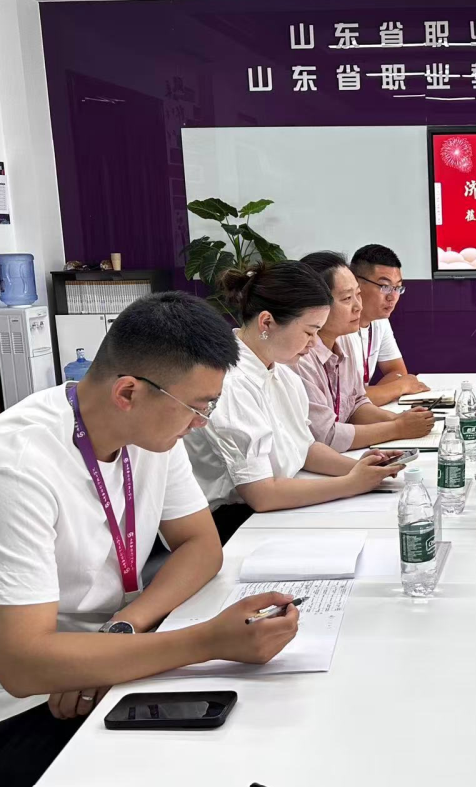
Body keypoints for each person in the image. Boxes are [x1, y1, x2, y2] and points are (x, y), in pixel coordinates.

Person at [0, 293, 299, 787]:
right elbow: (22, 665)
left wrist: (123, 629)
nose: (201, 423)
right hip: (33, 705)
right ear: (128, 392)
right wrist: (207, 641)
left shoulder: (150, 432)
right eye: (196, 406)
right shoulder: (20, 465)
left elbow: (201, 545)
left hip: (107, 662)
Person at [183, 262, 403, 541]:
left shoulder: (282, 373)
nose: (313, 343)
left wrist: (363, 468)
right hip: (229, 521)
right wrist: (351, 484)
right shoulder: (231, 382)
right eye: (309, 332)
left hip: (275, 501)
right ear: (266, 323)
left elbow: (305, 448)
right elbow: (261, 494)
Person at [294, 251, 434, 450]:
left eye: (357, 295)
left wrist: (398, 419)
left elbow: (356, 404)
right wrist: (396, 428)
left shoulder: (344, 340)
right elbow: (325, 436)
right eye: (347, 298)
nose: (358, 306)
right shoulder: (298, 356)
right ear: (314, 305)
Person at [350, 243, 430, 406]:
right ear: (356, 283)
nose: (392, 297)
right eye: (385, 286)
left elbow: (397, 372)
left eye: (398, 288)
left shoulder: (380, 321)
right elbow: (344, 400)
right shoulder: (338, 328)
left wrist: (374, 396)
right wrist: (400, 387)